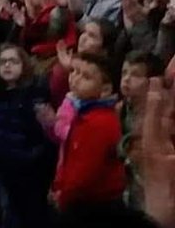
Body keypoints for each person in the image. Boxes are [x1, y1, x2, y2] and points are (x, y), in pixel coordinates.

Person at [0, 44, 55, 228]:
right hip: (4, 168)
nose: (7, 66)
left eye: (13, 61)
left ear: (23, 64)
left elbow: (43, 134)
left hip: (31, 171)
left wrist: (30, 157)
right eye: (3, 62)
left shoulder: (35, 94)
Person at [52, 52, 126, 213]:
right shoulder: (82, 113)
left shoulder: (99, 122)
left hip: (92, 205)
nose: (75, 79)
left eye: (86, 77)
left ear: (105, 89)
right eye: (74, 71)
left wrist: (65, 195)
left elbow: (84, 174)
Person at [119, 50, 165, 210]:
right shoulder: (121, 109)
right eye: (124, 72)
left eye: (136, 75)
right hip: (129, 190)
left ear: (152, 81)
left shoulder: (163, 119)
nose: (126, 79)